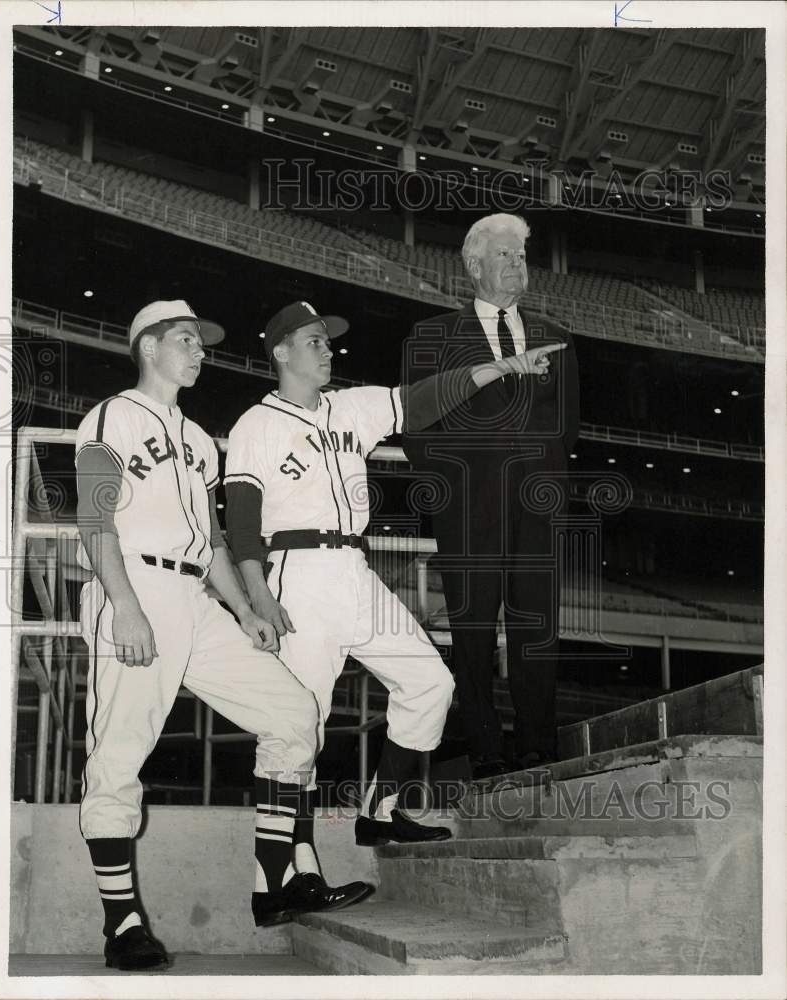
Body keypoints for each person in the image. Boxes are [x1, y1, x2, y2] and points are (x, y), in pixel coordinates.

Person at [75, 300, 370, 972]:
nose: (200, 351)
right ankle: (121, 924)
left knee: (294, 714)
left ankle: (276, 885)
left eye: (201, 342)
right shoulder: (111, 415)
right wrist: (122, 605)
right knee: (119, 758)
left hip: (193, 597)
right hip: (134, 587)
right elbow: (95, 520)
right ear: (148, 347)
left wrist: (244, 610)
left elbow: (210, 543)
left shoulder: (201, 440)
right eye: (186, 340)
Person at [224, 300, 562, 856]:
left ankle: (380, 812)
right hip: (296, 573)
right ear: (281, 352)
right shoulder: (256, 425)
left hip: (355, 569)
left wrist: (500, 369)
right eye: (314, 341)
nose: (327, 348)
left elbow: (426, 396)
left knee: (430, 682)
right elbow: (240, 522)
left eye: (327, 340)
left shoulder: (352, 407)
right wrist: (258, 596)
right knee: (298, 720)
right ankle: (292, 864)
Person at [401, 214, 580, 781]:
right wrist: (457, 489)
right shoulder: (432, 337)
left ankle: (536, 745)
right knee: (472, 632)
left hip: (537, 508)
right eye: (505, 254)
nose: (517, 263)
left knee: (536, 627)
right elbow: (414, 428)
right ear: (474, 265)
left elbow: (567, 428)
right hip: (467, 512)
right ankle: (483, 744)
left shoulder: (559, 336)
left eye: (522, 254)